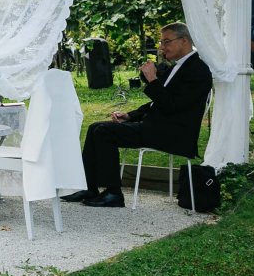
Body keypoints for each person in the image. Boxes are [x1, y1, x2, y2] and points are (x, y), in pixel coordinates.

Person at [63, 23, 212, 208]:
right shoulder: (179, 67)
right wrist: (130, 116)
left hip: (174, 134)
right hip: (159, 127)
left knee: (103, 132)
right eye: (161, 42)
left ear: (184, 41)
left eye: (166, 41)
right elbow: (156, 103)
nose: (162, 47)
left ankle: (113, 193)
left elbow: (171, 105)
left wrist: (153, 80)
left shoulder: (198, 70)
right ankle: (89, 187)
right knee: (95, 128)